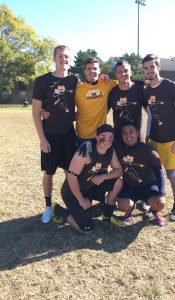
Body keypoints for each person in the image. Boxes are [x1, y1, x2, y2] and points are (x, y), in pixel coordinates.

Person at [32, 45, 79, 223]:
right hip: (49, 135)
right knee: (49, 173)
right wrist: (42, 139)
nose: (63, 59)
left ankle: (72, 204)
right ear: (54, 58)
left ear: (70, 59)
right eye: (60, 56)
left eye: (66, 56)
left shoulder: (75, 80)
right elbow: (36, 112)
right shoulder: (42, 81)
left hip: (68, 135)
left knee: (70, 172)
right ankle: (48, 207)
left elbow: (87, 95)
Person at [52, 124, 125, 233]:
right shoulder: (86, 150)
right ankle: (58, 209)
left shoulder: (110, 150)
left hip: (91, 188)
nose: (107, 140)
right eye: (103, 136)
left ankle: (107, 215)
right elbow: (71, 177)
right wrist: (81, 199)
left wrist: (103, 176)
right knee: (86, 229)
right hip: (73, 193)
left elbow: (119, 171)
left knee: (118, 182)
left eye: (111, 137)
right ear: (96, 137)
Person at [142, 53, 175, 221]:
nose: (149, 71)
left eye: (152, 67)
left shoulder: (171, 86)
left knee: (171, 175)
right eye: (146, 68)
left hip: (169, 141)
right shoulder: (146, 90)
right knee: (152, 173)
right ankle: (150, 200)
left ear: (158, 67)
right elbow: (151, 117)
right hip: (153, 139)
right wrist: (147, 137)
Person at [115, 122, 166, 227]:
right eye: (124, 133)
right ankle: (130, 209)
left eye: (131, 132)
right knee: (122, 205)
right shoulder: (118, 148)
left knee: (160, 203)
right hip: (130, 186)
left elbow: (160, 175)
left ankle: (154, 211)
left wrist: (161, 194)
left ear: (138, 133)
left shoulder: (150, 151)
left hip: (148, 186)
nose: (128, 135)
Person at [75, 57, 117, 146]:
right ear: (85, 71)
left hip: (101, 134)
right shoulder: (78, 89)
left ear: (99, 70)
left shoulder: (107, 83)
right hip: (83, 136)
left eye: (95, 68)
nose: (92, 71)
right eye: (89, 69)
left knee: (100, 160)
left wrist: (145, 82)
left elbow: (125, 82)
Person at [108, 60, 148, 140]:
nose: (123, 74)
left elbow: (150, 112)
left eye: (126, 71)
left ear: (131, 72)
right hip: (119, 138)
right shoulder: (112, 93)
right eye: (119, 71)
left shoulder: (140, 90)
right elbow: (104, 113)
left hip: (136, 137)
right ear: (115, 75)